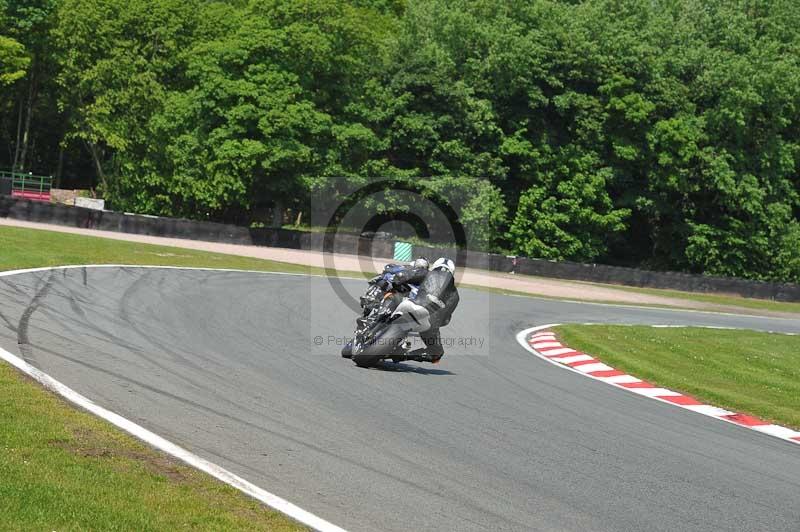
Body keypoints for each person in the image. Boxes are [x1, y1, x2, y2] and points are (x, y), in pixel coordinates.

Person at [393, 257, 459, 363]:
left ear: (435, 266)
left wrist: (396, 282)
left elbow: (404, 277)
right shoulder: (455, 295)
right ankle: (405, 356)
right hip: (429, 323)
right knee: (436, 353)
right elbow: (446, 320)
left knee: (395, 296)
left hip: (414, 305)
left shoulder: (428, 273)